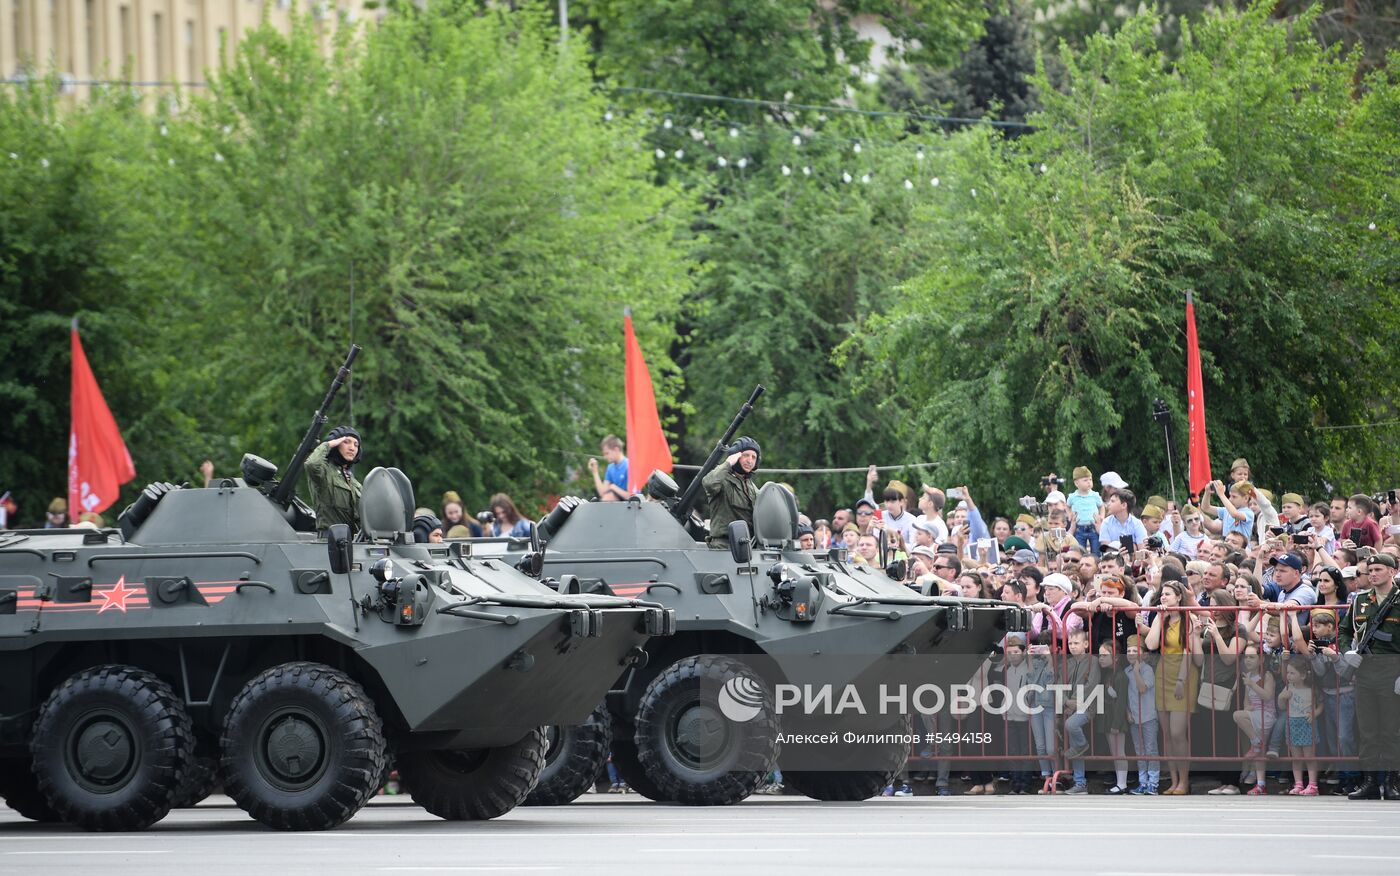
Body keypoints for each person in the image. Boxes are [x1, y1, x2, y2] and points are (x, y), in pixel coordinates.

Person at [1340, 552, 1400, 800]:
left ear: (1392, 571)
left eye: (1378, 570)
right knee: (1367, 730)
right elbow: (1344, 631)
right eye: (1370, 570)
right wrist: (1347, 652)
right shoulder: (1360, 600)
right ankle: (1371, 782)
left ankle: (1394, 782)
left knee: (1392, 730)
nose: (1373, 574)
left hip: (1393, 670)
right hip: (1365, 670)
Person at [1145, 580, 1196, 794]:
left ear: (1179, 597)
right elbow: (1151, 644)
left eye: (1168, 594)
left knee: (1177, 733)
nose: (1163, 597)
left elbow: (1189, 652)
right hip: (1163, 674)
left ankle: (1184, 781)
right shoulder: (1163, 619)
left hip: (1183, 675)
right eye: (1162, 594)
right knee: (1166, 734)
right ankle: (1174, 781)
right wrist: (1159, 617)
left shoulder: (1188, 619)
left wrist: (1181, 681)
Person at [304, 425, 363, 533]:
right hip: (329, 539)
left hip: (354, 540)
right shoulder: (324, 472)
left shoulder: (353, 482)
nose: (352, 448)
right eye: (346, 442)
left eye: (356, 445)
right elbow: (312, 464)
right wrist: (328, 445)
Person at [703, 436, 759, 548]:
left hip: (747, 546)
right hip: (723, 546)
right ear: (736, 456)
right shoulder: (723, 479)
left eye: (754, 457)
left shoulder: (752, 487)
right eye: (746, 455)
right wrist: (728, 463)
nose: (750, 460)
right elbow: (709, 483)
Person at [1279, 656, 1322, 795]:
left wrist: (1315, 713)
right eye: (1288, 672)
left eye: (1292, 673)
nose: (1288, 676)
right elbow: (1281, 706)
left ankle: (1313, 785)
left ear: (1303, 675)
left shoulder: (1311, 689)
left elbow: (1321, 705)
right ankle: (1298, 784)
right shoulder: (1287, 688)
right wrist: (1281, 698)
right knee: (1296, 757)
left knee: (1309, 756)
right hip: (1292, 723)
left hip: (1307, 724)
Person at [1126, 635, 1160, 795]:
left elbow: (1142, 689)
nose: (1131, 654)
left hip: (1148, 717)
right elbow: (1126, 696)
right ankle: (1142, 782)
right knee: (1139, 751)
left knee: (1151, 749)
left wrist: (1136, 671)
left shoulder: (1147, 670)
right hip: (1134, 717)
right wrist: (1127, 712)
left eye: (1135, 651)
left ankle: (1153, 783)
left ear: (1143, 654)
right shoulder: (1126, 671)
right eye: (1129, 651)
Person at [1067, 466, 1104, 554]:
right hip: (1079, 528)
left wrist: (1102, 516)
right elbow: (1067, 506)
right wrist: (1069, 515)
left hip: (1093, 527)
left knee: (1096, 551)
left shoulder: (1095, 495)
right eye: (1085, 480)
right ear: (1076, 483)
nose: (1089, 482)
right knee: (1080, 551)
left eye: (1090, 479)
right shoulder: (1073, 497)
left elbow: (1101, 506)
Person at [589, 435, 630, 502]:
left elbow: (631, 496)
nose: (605, 457)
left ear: (616, 449)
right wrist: (595, 472)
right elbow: (602, 493)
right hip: (615, 505)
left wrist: (613, 487)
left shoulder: (629, 466)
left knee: (609, 497)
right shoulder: (610, 468)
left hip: (631, 506)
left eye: (607, 453)